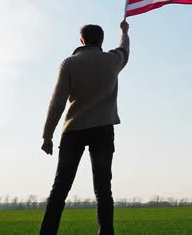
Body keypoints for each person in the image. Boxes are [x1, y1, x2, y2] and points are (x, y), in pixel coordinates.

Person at [39, 20, 130, 235]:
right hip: (103, 130)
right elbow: (125, 49)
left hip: (74, 130)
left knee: (60, 188)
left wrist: (47, 135)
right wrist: (125, 32)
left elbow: (57, 102)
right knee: (103, 189)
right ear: (101, 41)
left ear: (81, 40)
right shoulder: (112, 60)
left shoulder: (68, 64)